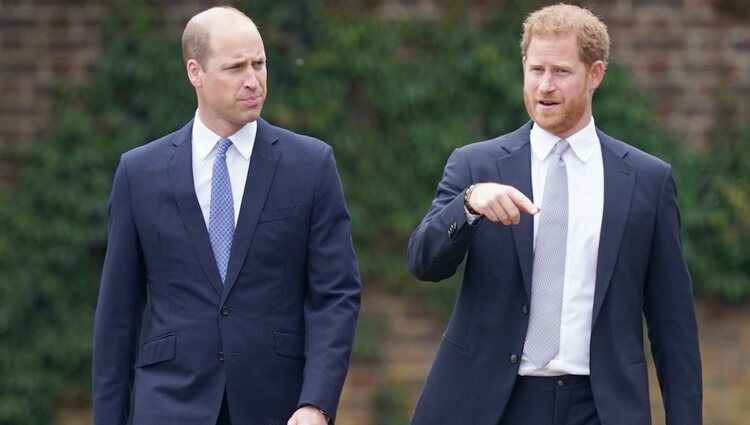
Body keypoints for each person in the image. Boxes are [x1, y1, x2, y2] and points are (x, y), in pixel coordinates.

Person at [407, 4, 701, 425]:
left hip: (601, 406)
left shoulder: (647, 180)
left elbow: (674, 326)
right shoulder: (476, 166)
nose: (545, 85)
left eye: (561, 72)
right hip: (491, 403)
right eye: (535, 69)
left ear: (595, 74)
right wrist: (468, 204)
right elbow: (423, 263)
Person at [92, 6, 361, 425]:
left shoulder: (310, 164)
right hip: (168, 405)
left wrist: (317, 402)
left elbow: (336, 295)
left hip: (279, 405)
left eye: (259, 64)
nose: (253, 80)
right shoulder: (139, 173)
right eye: (235, 67)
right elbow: (117, 314)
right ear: (194, 72)